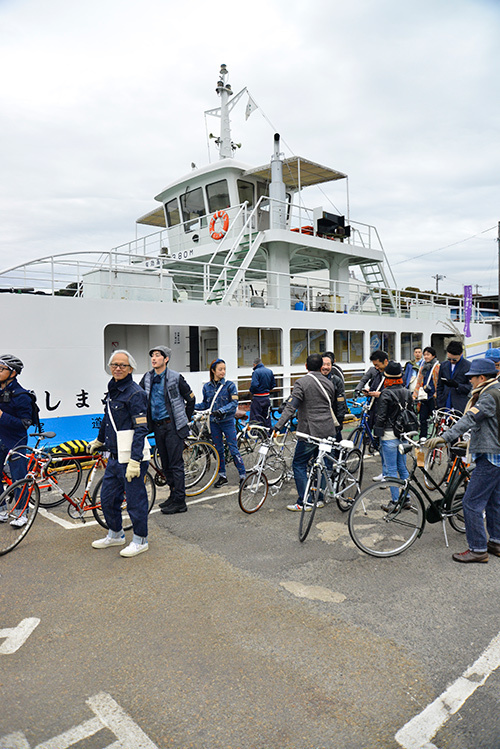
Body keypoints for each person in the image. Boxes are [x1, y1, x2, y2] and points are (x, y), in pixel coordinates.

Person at [427, 358, 500, 563]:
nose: (470, 382)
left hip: (490, 455)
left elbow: (469, 419)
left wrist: (445, 437)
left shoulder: (488, 396)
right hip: (497, 453)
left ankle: (477, 549)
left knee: (471, 502)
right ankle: (495, 542)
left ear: (482, 378)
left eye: (472, 378)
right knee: (494, 501)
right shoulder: (497, 389)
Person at [88, 350, 151, 557]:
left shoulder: (135, 393)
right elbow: (108, 418)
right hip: (114, 458)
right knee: (107, 499)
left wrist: (135, 460)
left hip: (130, 459)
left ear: (131, 368)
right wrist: (99, 440)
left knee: (135, 501)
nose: (117, 368)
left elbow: (141, 428)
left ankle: (141, 540)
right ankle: (116, 534)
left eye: (122, 365)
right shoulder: (113, 389)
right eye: (114, 364)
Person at [273, 353, 338, 512]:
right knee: (320, 463)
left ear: (306, 366)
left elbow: (291, 407)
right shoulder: (329, 383)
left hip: (309, 432)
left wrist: (277, 426)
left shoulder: (302, 383)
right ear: (320, 366)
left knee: (299, 464)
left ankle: (304, 501)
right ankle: (320, 498)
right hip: (328, 431)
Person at [139, 346, 196, 515]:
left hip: (173, 426)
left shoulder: (176, 377)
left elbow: (191, 399)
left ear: (166, 359)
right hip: (157, 427)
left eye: (158, 355)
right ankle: (173, 495)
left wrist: (184, 419)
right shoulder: (148, 378)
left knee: (175, 464)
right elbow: (139, 396)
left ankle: (180, 501)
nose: (154, 359)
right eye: (152, 356)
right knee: (165, 464)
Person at [195, 358, 246, 488]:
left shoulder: (230, 386)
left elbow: (234, 403)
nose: (223, 372)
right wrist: (191, 407)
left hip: (227, 422)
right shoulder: (206, 387)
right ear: (213, 370)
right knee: (218, 450)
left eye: (224, 369)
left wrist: (221, 411)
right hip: (213, 423)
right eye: (220, 369)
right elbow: (206, 404)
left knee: (234, 449)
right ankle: (222, 476)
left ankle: (243, 476)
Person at [373, 361, 411, 506]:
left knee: (391, 470)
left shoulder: (386, 393)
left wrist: (377, 435)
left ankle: (394, 501)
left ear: (387, 377)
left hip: (389, 435)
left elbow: (381, 417)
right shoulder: (407, 392)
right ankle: (406, 498)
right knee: (402, 467)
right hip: (404, 435)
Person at [0, 355, 32, 527]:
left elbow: (24, 424)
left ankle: (22, 513)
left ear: (13, 372)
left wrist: (2, 416)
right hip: (0, 439)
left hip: (16, 441)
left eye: (1, 369)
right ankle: (2, 510)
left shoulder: (21, 396)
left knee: (19, 478)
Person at [354, 350, 389, 481]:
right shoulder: (375, 371)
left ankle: (388, 475)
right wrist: (362, 390)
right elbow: (364, 380)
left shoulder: (393, 372)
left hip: (385, 411)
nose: (376, 367)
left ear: (385, 361)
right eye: (374, 365)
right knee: (378, 439)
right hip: (373, 406)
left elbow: (397, 392)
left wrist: (380, 394)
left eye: (377, 365)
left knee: (385, 443)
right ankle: (385, 472)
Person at [436, 340, 471, 414]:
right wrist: (439, 400)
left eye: (454, 360)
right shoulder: (443, 365)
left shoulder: (468, 366)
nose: (451, 361)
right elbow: (439, 385)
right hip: (444, 404)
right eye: (449, 359)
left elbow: (470, 387)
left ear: (461, 354)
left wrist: (457, 385)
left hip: (459, 406)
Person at [413, 346, 439, 438]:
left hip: (433, 396)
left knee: (436, 418)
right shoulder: (422, 367)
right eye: (425, 355)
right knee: (422, 418)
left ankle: (437, 436)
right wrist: (414, 395)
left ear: (433, 355)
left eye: (428, 355)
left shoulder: (437, 366)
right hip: (424, 396)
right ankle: (422, 437)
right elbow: (419, 382)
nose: (426, 357)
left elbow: (438, 382)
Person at [321, 354, 347, 441]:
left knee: (335, 443)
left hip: (333, 418)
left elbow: (341, 400)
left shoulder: (336, 380)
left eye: (328, 365)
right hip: (319, 419)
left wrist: (340, 419)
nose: (325, 367)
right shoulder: (313, 379)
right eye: (323, 364)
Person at [248, 357, 275, 428]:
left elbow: (254, 385)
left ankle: (256, 435)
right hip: (266, 397)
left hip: (257, 398)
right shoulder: (269, 371)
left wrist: (252, 391)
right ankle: (268, 435)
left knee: (255, 419)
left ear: (254, 364)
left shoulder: (256, 372)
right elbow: (273, 385)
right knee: (266, 418)